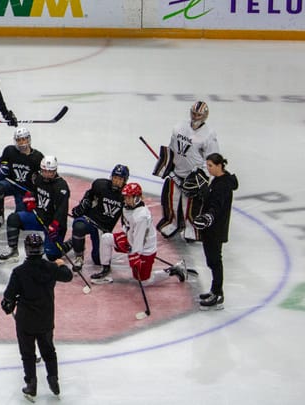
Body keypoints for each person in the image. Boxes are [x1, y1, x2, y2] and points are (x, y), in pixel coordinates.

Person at [1, 233, 73, 401]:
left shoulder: (19, 272)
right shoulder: (51, 268)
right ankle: (53, 380)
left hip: (25, 320)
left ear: (26, 249)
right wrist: (61, 264)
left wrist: (8, 305)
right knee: (49, 351)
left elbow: (8, 298)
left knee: (28, 354)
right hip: (46, 318)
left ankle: (31, 385)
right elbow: (68, 276)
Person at [91, 183, 185, 285]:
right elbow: (127, 226)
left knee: (144, 281)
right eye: (125, 197)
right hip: (131, 240)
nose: (126, 200)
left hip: (145, 249)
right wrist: (126, 238)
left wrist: (135, 256)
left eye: (129, 197)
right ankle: (106, 270)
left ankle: (173, 270)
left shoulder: (141, 216)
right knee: (106, 238)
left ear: (137, 198)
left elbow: (139, 239)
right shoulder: (127, 207)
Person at [154, 101, 219, 242]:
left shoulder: (209, 134)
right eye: (194, 113)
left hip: (193, 177)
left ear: (205, 116)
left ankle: (191, 227)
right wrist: (167, 165)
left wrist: (203, 176)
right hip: (177, 172)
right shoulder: (179, 127)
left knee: (190, 204)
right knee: (171, 199)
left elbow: (211, 158)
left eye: (199, 114)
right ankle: (172, 222)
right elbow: (171, 148)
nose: (195, 117)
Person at [0, 156, 70, 262]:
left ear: (55, 170)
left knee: (52, 256)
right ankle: (13, 250)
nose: (47, 174)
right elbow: (33, 191)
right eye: (45, 171)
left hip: (53, 223)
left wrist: (55, 225)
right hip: (38, 216)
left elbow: (62, 210)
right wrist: (30, 198)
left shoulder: (61, 187)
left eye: (51, 171)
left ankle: (69, 244)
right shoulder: (39, 178)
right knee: (13, 219)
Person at [193, 153, 238, 310]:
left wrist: (208, 217)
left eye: (211, 166)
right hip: (210, 229)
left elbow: (217, 206)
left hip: (215, 230)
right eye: (207, 166)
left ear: (219, 165)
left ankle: (218, 293)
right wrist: (203, 191)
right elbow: (211, 199)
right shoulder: (217, 181)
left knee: (215, 260)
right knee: (212, 260)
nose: (208, 169)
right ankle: (214, 290)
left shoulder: (223, 185)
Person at [68, 164, 129, 271]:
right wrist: (84, 204)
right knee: (79, 226)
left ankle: (72, 242)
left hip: (103, 230)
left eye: (120, 179)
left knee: (98, 260)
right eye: (115, 177)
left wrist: (127, 236)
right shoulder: (101, 185)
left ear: (125, 180)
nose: (116, 181)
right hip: (90, 220)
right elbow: (89, 195)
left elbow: (127, 218)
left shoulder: (126, 195)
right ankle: (79, 256)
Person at [0, 127, 44, 223]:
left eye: (24, 139)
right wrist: (2, 170)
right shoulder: (9, 150)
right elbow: (2, 164)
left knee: (18, 218)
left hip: (25, 190)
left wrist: (34, 194)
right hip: (11, 184)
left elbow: (41, 180)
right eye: (19, 140)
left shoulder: (38, 157)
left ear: (28, 139)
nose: (21, 142)